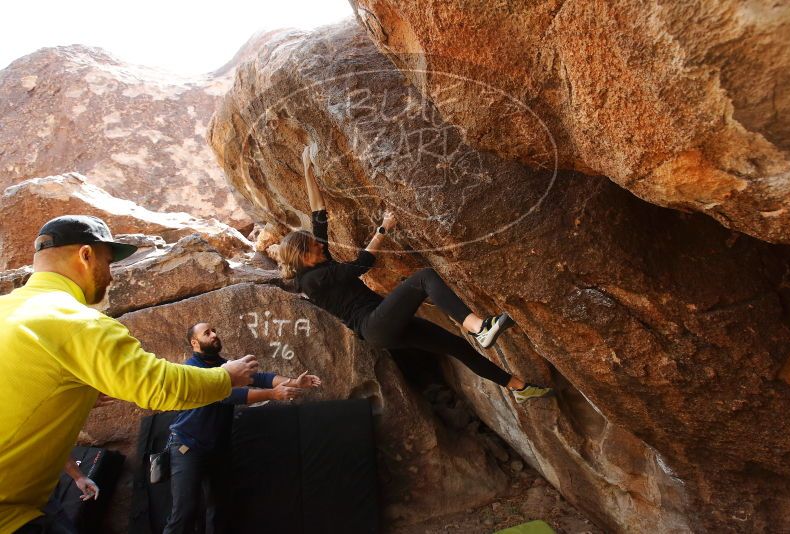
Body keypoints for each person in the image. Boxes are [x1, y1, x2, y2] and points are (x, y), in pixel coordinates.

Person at [0, 215, 259, 534]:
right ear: (86, 255)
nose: (110, 276)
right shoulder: (77, 322)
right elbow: (158, 386)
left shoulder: (8, 309)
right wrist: (227, 376)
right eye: (108, 262)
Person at [276, 146, 553, 404]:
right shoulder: (313, 280)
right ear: (303, 257)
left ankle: (519, 388)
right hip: (375, 324)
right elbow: (361, 266)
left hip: (383, 322)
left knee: (455, 345)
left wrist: (307, 168)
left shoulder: (314, 262)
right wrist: (383, 229)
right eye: (315, 248)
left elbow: (318, 214)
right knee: (424, 278)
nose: (320, 247)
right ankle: (480, 328)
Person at [164, 322, 321, 534]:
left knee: (219, 511)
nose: (214, 334)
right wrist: (272, 395)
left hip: (217, 450)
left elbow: (261, 378)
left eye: (214, 330)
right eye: (207, 333)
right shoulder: (193, 369)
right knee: (185, 512)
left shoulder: (225, 365)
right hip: (188, 447)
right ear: (194, 342)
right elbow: (226, 395)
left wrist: (295, 382)